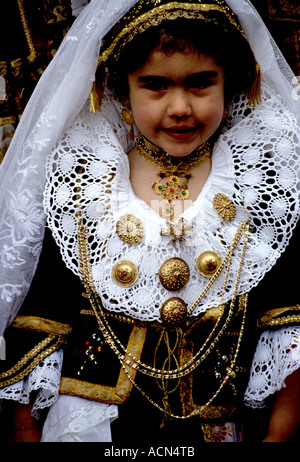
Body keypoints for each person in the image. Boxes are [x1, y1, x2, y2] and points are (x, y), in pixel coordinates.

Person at [0, 0, 300, 443]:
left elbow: (289, 325)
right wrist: (26, 431)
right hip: (90, 428)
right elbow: (43, 317)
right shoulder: (83, 186)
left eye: (200, 84)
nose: (179, 107)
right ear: (122, 91)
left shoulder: (262, 186)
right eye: (155, 86)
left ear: (232, 83)